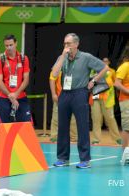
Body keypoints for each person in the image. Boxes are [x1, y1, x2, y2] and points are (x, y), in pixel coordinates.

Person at [51, 33, 108, 169]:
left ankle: (85, 160)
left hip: (80, 93)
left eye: (69, 44)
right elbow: (54, 74)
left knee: (82, 126)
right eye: (65, 43)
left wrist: (93, 81)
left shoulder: (86, 57)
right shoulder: (62, 57)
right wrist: (63, 56)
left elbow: (105, 69)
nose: (66, 46)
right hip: (64, 93)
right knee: (63, 127)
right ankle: (63, 158)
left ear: (76, 44)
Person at [0, 34, 31, 123]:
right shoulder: (0, 59)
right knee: (7, 126)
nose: (9, 48)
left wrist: (16, 94)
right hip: (5, 97)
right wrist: (10, 96)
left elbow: (26, 80)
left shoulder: (23, 58)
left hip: (20, 96)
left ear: (16, 43)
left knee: (24, 124)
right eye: (6, 45)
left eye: (11, 45)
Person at [91, 57, 121, 145]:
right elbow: (91, 80)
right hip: (96, 97)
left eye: (106, 61)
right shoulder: (94, 70)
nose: (104, 62)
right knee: (96, 118)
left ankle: (117, 138)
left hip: (107, 98)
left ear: (109, 62)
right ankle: (96, 139)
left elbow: (116, 83)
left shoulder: (112, 71)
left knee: (110, 118)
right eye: (102, 61)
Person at [49, 71, 78, 142]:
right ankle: (54, 137)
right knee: (56, 118)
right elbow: (52, 79)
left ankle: (73, 138)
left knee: (73, 119)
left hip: (72, 97)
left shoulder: (76, 68)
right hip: (60, 97)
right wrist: (53, 94)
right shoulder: (57, 68)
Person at [114, 56, 129, 164]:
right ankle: (125, 155)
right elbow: (117, 83)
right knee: (127, 127)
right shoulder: (125, 66)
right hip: (126, 100)